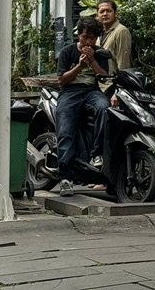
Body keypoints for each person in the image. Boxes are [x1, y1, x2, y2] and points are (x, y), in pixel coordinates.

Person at [56, 17, 113, 196]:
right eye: (84, 37)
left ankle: (96, 154)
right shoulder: (67, 52)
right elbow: (61, 80)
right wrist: (80, 66)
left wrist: (93, 61)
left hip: (91, 91)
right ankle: (65, 177)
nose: (88, 41)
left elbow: (104, 76)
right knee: (65, 130)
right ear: (78, 36)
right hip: (70, 92)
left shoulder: (100, 53)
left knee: (105, 108)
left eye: (92, 38)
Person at [96, 0, 132, 72]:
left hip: (115, 81)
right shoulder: (99, 32)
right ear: (97, 16)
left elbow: (123, 61)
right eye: (102, 11)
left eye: (109, 11)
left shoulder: (121, 31)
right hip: (102, 80)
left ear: (116, 14)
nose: (105, 14)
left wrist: (122, 80)